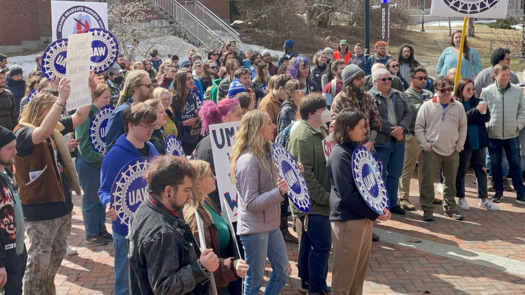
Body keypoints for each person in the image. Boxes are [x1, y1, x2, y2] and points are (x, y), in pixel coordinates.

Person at [13, 77, 92, 293]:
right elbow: (41, 134)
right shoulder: (23, 132)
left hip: (61, 206)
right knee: (38, 264)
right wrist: (61, 100)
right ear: (39, 112)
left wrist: (87, 91)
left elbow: (80, 116)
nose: (56, 116)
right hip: (40, 210)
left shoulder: (52, 126)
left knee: (55, 259)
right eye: (51, 112)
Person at [127, 155, 219, 294]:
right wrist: (201, 268)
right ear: (168, 191)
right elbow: (164, 287)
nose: (190, 195)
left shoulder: (144, 209)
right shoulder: (162, 233)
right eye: (186, 190)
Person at [327, 109, 391, 294]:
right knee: (344, 278)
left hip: (363, 219)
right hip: (348, 221)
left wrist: (380, 206)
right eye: (361, 127)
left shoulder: (356, 151)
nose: (365, 131)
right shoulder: (340, 155)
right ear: (349, 129)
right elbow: (348, 196)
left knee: (358, 276)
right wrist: (375, 213)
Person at [98, 102, 159, 295]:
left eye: (152, 126)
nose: (150, 130)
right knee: (126, 282)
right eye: (146, 126)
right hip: (125, 229)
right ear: (131, 125)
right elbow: (104, 189)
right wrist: (108, 203)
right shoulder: (114, 155)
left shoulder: (151, 149)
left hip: (150, 226)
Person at [230, 110, 292, 295]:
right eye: (269, 123)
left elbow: (273, 184)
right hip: (254, 229)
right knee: (255, 280)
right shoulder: (248, 161)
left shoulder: (268, 152)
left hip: (270, 224)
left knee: (283, 271)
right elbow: (251, 203)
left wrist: (293, 172)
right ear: (257, 129)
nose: (274, 127)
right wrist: (279, 192)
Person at [287, 94, 332, 295]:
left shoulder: (320, 130)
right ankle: (317, 287)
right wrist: (324, 197)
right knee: (321, 245)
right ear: (312, 113)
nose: (327, 111)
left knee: (308, 242)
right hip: (312, 203)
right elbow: (305, 176)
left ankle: (306, 280)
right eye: (323, 108)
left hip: (318, 199)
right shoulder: (302, 137)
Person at [184, 160, 249, 295]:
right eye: (209, 175)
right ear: (197, 183)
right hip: (217, 285)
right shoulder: (195, 218)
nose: (214, 177)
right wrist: (231, 266)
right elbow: (202, 262)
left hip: (224, 280)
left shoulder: (206, 201)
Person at [415, 76, 467, 221]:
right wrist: (425, 145)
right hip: (432, 150)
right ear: (436, 90)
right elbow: (419, 127)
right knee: (428, 181)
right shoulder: (427, 106)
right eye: (443, 90)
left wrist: (459, 146)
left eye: (449, 89)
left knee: (451, 181)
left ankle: (450, 208)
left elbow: (463, 126)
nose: (446, 92)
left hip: (452, 150)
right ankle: (427, 209)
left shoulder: (458, 106)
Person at [368, 68, 413, 216]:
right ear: (375, 82)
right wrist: (392, 131)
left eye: (389, 79)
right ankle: (379, 204)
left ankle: (392, 203)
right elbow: (374, 118)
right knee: (379, 174)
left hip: (399, 142)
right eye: (384, 79)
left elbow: (409, 113)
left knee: (395, 173)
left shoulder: (398, 95)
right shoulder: (369, 97)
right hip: (381, 142)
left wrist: (402, 127)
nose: (388, 82)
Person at [74, 84, 113, 246]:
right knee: (91, 198)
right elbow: (83, 146)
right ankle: (91, 232)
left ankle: (101, 229)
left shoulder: (104, 114)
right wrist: (100, 158)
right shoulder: (86, 114)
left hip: (100, 162)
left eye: (109, 97)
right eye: (105, 97)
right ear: (95, 97)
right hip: (89, 162)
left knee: (100, 198)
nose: (108, 100)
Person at [481, 63, 525, 205]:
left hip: (512, 134)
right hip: (494, 135)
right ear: (495, 76)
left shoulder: (517, 91)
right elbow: (483, 113)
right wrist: (488, 127)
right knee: (495, 165)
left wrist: (517, 126)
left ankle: (520, 192)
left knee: (515, 164)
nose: (506, 78)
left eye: (508, 75)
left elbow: (522, 111)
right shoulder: (487, 92)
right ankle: (498, 191)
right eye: (503, 75)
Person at [453, 78, 499, 211]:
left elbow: (486, 118)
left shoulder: (479, 101)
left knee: (481, 170)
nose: (471, 91)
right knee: (461, 170)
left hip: (479, 141)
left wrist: (476, 112)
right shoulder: (456, 103)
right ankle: (461, 197)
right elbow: (460, 119)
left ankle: (483, 199)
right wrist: (477, 112)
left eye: (473, 89)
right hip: (464, 142)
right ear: (461, 89)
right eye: (468, 89)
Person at [194, 99, 242, 209]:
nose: (242, 119)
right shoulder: (208, 146)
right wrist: (218, 210)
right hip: (221, 210)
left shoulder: (238, 141)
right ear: (225, 119)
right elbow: (206, 182)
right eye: (238, 115)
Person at [398, 67, 433, 211]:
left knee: (427, 169)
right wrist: (431, 104)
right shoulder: (406, 95)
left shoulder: (429, 93)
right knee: (408, 169)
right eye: (420, 78)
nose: (423, 80)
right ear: (411, 79)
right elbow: (418, 111)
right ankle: (404, 197)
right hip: (412, 136)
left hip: (428, 136)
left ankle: (426, 196)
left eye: (425, 78)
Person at [0, 126, 27, 294]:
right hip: (5, 259)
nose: (15, 151)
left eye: (15, 146)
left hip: (16, 251)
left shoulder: (6, 174)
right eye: (9, 148)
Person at [331, 64, 382, 153]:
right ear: (349, 81)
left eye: (362, 77)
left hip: (369, 150)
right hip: (349, 151)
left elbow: (376, 122)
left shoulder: (367, 97)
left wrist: (370, 143)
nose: (362, 80)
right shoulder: (339, 100)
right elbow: (336, 127)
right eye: (358, 78)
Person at [105, 70, 153, 150]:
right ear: (136, 89)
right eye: (148, 86)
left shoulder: (148, 109)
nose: (152, 88)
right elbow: (111, 146)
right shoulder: (122, 112)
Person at [171, 70, 202, 155]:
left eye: (192, 78)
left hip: (194, 137)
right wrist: (183, 123)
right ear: (181, 81)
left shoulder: (193, 95)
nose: (192, 80)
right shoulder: (174, 99)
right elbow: (169, 122)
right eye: (188, 79)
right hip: (182, 140)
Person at [259, 74, 292, 138]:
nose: (289, 94)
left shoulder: (281, 99)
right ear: (281, 88)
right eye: (287, 92)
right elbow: (265, 125)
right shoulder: (267, 103)